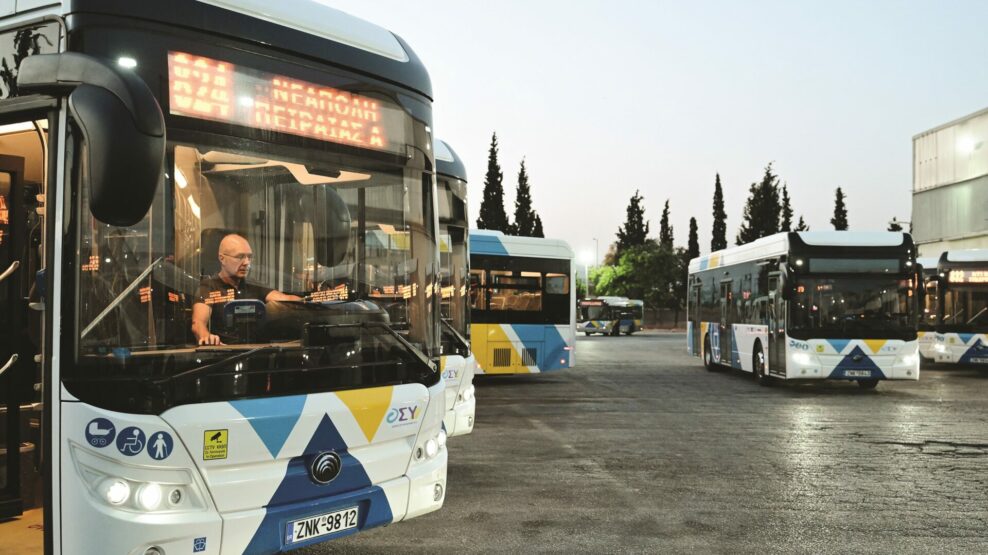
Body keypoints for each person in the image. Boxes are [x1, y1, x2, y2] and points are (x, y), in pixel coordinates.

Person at [192, 233, 301, 345]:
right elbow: (198, 323)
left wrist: (310, 302)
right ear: (222, 258)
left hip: (254, 354)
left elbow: (286, 299)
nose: (246, 263)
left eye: (249, 257)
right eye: (240, 257)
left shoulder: (253, 285)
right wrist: (206, 337)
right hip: (223, 354)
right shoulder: (209, 287)